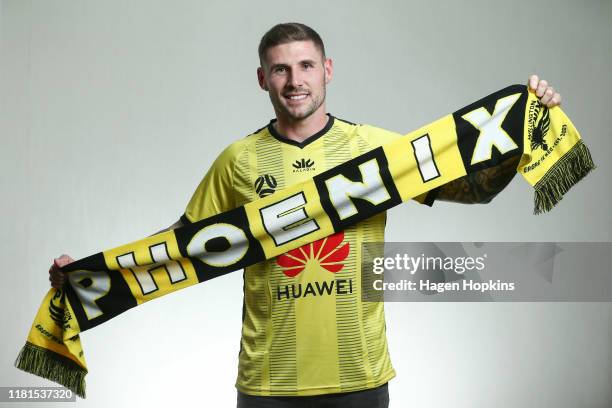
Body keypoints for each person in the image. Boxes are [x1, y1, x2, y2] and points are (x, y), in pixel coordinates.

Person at [49, 22, 562, 408]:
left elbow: (473, 189)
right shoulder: (239, 161)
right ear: (262, 79)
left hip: (360, 376)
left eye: (306, 66)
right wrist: (90, 273)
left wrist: (527, 127)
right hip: (269, 381)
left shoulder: (374, 149)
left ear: (328, 70)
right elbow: (184, 244)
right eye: (280, 68)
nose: (295, 80)